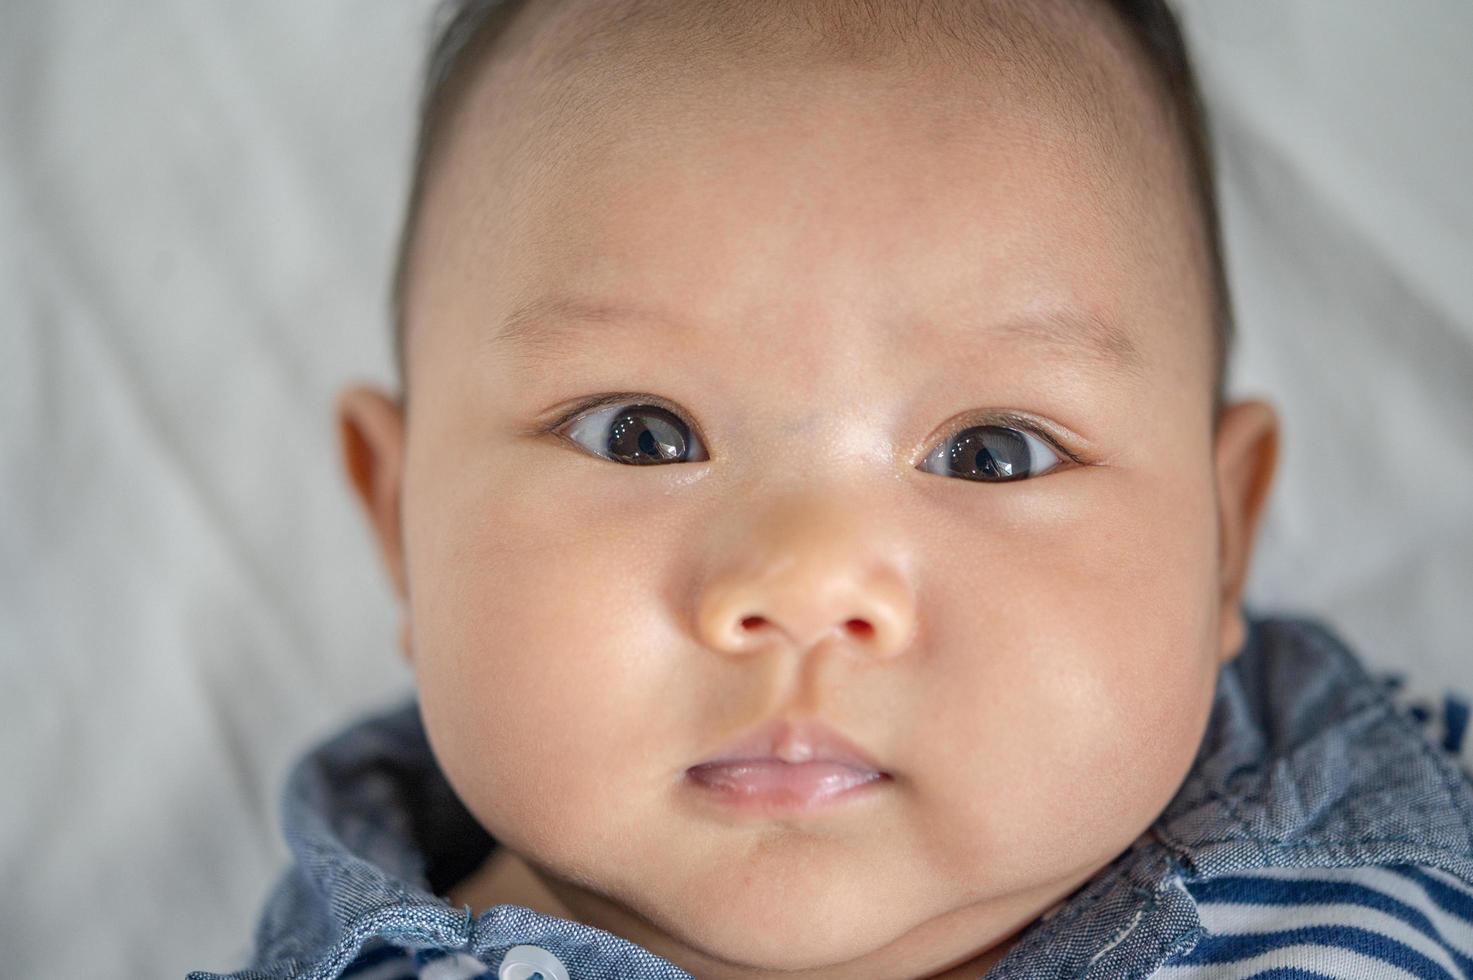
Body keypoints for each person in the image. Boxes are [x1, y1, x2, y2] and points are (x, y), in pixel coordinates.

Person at [191, 0, 1473, 977]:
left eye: (993, 451)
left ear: (1223, 538)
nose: (804, 584)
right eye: (640, 433)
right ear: (399, 515)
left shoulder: (1410, 808)